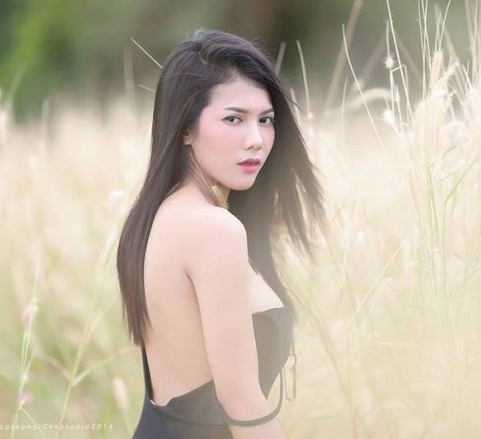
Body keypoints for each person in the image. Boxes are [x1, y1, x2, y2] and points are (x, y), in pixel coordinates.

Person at [116, 29, 326, 438]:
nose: (256, 140)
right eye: (234, 119)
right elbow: (241, 399)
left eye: (265, 120)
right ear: (185, 128)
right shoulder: (214, 229)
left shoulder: (156, 218)